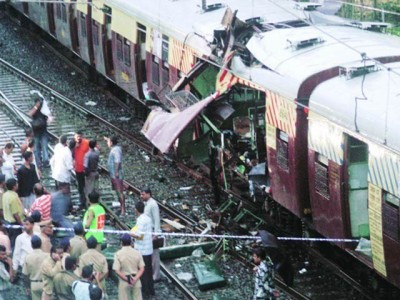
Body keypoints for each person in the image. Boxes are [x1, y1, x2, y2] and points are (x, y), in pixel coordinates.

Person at [130, 201, 154, 297]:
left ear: (136, 210)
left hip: (142, 250)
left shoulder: (140, 220)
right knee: (149, 270)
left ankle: (145, 291)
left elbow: (139, 235)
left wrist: (131, 234)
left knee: (142, 272)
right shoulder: (148, 218)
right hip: (149, 248)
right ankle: (151, 290)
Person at [113, 234, 145, 300]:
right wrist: (135, 279)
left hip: (124, 282)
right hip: (136, 281)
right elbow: (142, 269)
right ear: (131, 242)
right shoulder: (137, 253)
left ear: (121, 242)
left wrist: (127, 279)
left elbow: (117, 270)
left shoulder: (118, 254)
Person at [141, 187, 161, 281]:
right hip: (148, 231)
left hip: (153, 231)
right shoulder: (147, 203)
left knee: (155, 254)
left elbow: (157, 219)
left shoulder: (153, 204)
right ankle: (152, 273)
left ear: (149, 194)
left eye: (143, 194)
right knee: (150, 253)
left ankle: (156, 275)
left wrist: (156, 234)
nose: (142, 196)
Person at [22, 235, 48, 300]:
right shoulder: (47, 256)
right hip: (46, 284)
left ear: (31, 245)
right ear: (41, 244)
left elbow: (25, 274)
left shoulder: (28, 257)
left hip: (34, 284)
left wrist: (27, 287)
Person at [28, 92, 49, 168]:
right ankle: (39, 163)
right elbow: (30, 114)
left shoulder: (44, 109)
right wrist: (36, 107)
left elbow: (49, 116)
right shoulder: (35, 108)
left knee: (44, 147)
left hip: (43, 131)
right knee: (37, 149)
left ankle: (45, 162)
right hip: (36, 132)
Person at [106, 136, 125, 214]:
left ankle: (123, 209)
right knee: (117, 191)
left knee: (120, 191)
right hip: (113, 174)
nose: (107, 143)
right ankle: (121, 207)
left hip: (116, 174)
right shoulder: (115, 149)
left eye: (108, 141)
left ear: (111, 142)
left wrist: (116, 172)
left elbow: (117, 161)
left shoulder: (116, 150)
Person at [3, 178, 24, 247]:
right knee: (15, 243)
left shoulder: (5, 195)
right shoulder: (13, 198)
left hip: (6, 221)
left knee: (11, 240)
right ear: (14, 186)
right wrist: (21, 224)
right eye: (16, 184)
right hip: (14, 223)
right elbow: (15, 214)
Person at [74, 131, 90, 209]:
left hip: (86, 169)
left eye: (80, 136)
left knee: (87, 185)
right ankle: (82, 201)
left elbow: (96, 148)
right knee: (80, 185)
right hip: (78, 169)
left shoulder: (87, 143)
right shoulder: (72, 144)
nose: (78, 138)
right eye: (77, 137)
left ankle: (88, 200)